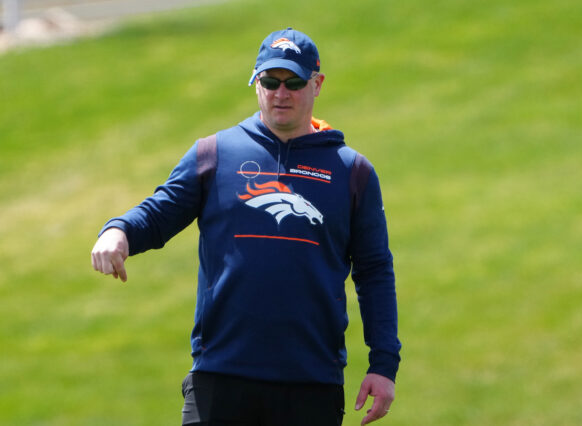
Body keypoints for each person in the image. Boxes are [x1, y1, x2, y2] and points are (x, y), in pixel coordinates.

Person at [91, 28, 401, 425]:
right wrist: (118, 231)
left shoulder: (351, 171)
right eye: (270, 81)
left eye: (294, 82)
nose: (280, 93)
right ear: (256, 82)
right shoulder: (214, 154)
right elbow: (157, 213)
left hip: (310, 382)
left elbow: (374, 271)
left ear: (317, 84)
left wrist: (383, 363)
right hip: (220, 376)